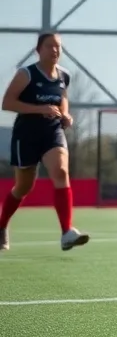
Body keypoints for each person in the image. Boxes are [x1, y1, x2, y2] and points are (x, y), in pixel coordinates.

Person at [0, 32, 89, 252]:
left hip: (52, 132)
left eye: (58, 47)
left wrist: (65, 114)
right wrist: (39, 109)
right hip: (26, 136)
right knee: (23, 187)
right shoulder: (26, 74)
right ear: (38, 50)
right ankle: (1, 226)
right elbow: (7, 103)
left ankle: (66, 232)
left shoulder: (63, 76)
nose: (55, 50)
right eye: (50, 46)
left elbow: (63, 97)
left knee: (60, 172)